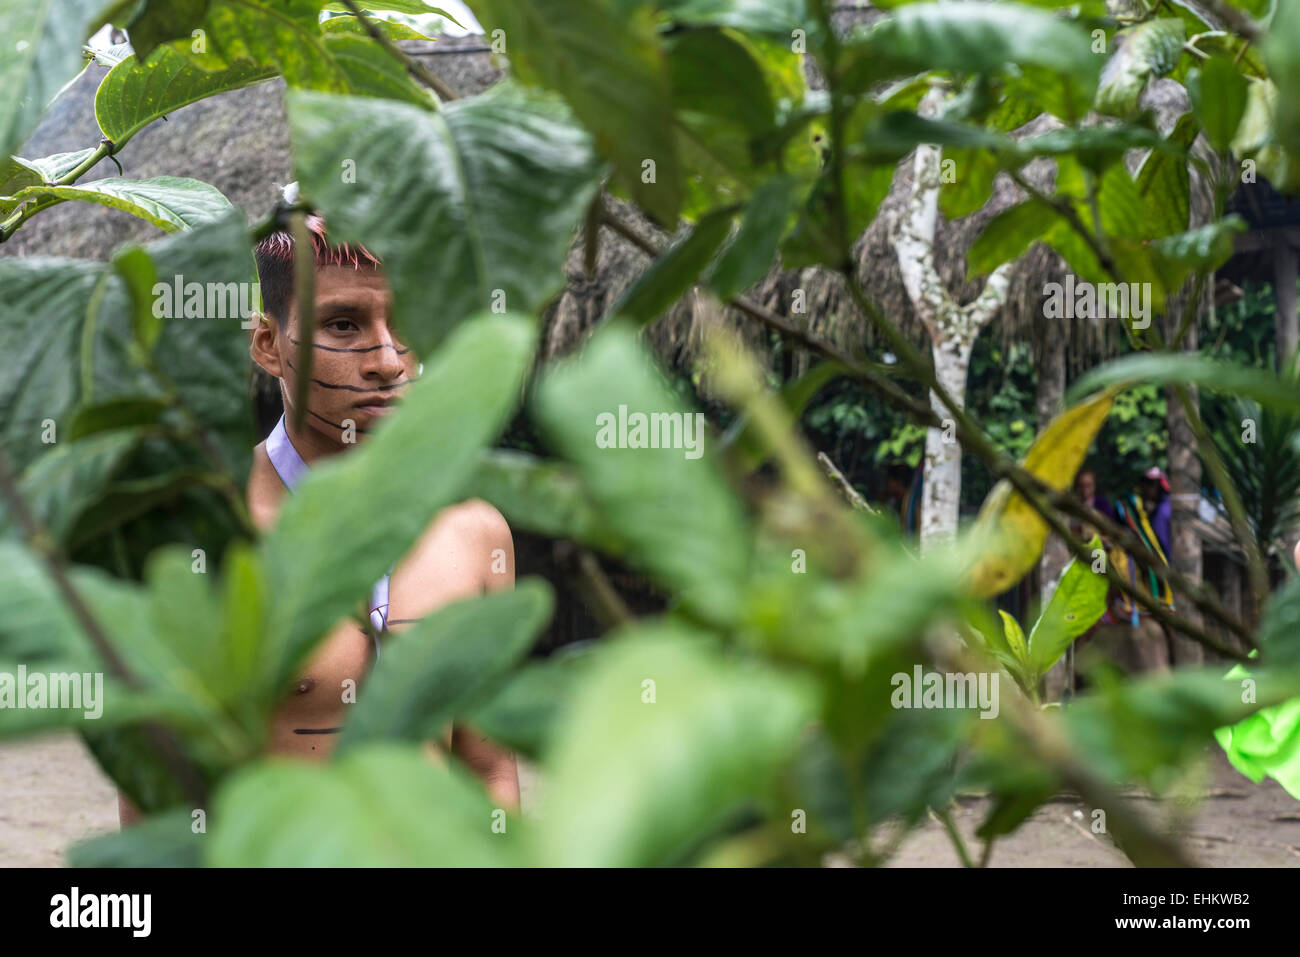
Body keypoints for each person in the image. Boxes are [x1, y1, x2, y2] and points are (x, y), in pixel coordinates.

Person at [118, 209, 520, 824]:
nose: (387, 360)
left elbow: (490, 766)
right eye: (343, 324)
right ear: (267, 345)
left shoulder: (475, 532)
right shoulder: (201, 534)